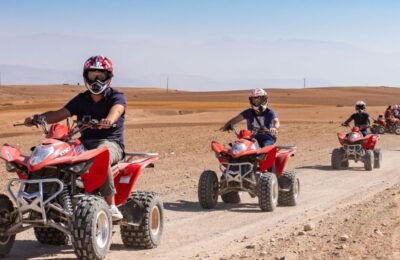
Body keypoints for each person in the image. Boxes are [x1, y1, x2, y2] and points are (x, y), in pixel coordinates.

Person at [24, 55, 125, 220]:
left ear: (109, 77)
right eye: (93, 75)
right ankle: (43, 199)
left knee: (101, 154)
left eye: (101, 75)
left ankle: (111, 205)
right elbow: (59, 114)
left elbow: (117, 110)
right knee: (56, 156)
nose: (97, 80)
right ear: (86, 76)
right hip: (84, 144)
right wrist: (38, 117)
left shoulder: (116, 97)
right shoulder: (81, 99)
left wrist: (109, 120)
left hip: (111, 143)